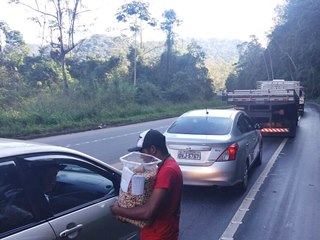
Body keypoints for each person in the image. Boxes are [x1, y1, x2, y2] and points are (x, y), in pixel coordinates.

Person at [111, 129, 183, 240]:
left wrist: (118, 210)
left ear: (153, 149)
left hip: (160, 235)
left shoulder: (168, 171)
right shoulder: (161, 166)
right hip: (153, 232)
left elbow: (148, 212)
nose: (141, 157)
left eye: (142, 152)